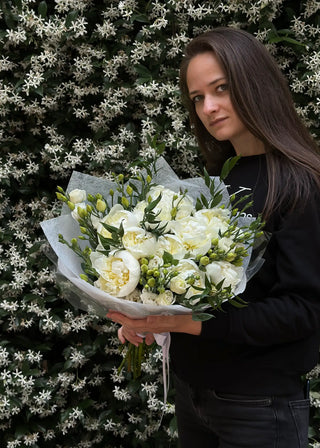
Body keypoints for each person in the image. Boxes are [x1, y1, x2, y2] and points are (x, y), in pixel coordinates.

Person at [107, 27, 320, 447]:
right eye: (198, 98)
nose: (209, 107)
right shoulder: (220, 179)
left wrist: (189, 322)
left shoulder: (300, 183)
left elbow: (304, 309)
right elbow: (199, 287)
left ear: (253, 81)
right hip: (194, 393)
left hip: (258, 405)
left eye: (221, 89)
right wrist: (149, 315)